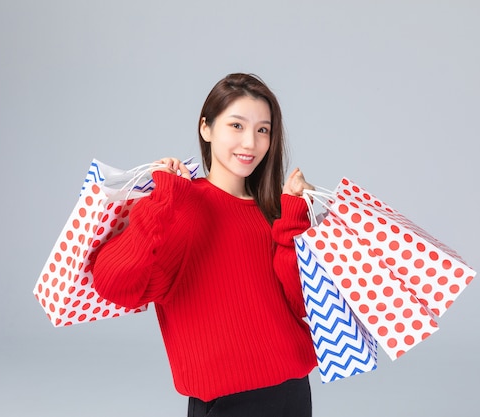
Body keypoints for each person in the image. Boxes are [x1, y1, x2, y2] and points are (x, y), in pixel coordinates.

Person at [91, 73, 317, 417]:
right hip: (226, 402)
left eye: (263, 130)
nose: (251, 143)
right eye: (237, 126)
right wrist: (163, 201)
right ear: (206, 128)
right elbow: (117, 284)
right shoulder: (181, 204)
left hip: (293, 392)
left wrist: (293, 218)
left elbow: (303, 303)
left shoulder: (272, 209)